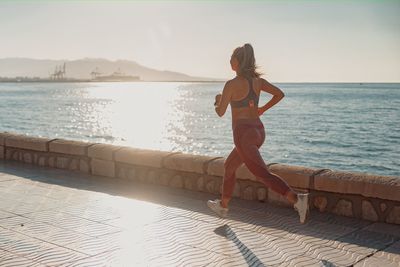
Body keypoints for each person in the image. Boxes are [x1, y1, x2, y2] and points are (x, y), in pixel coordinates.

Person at [207, 43, 309, 224]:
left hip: (243, 135)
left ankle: (297, 200)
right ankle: (223, 206)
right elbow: (279, 94)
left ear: (237, 62)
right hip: (258, 131)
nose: (229, 62)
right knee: (230, 166)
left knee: (263, 174)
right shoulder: (257, 81)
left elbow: (220, 112)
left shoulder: (231, 84)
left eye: (231, 59)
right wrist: (262, 109)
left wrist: (218, 101)